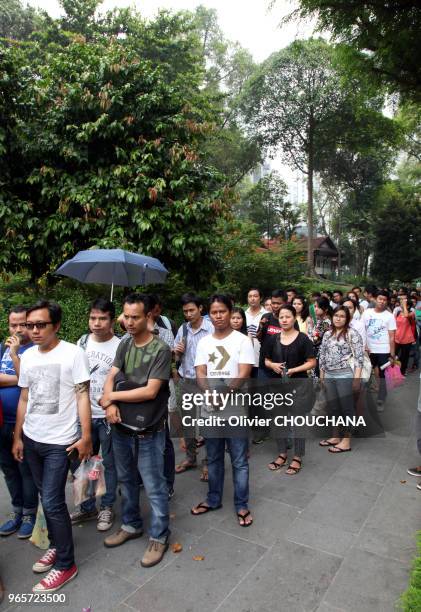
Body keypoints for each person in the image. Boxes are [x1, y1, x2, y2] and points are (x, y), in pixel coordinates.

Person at [12, 300, 92, 593]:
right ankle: (58, 545)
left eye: (40, 325)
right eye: (29, 325)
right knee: (47, 498)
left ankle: (66, 564)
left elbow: (83, 396)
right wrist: (18, 437)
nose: (33, 330)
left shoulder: (73, 353)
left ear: (56, 325)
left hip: (61, 442)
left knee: (55, 502)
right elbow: (24, 398)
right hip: (32, 439)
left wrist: (85, 437)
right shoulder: (29, 356)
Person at [100, 293, 172, 568]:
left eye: (135, 317)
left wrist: (113, 398)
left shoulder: (160, 350)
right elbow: (111, 374)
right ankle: (131, 525)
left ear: (148, 317)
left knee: (153, 485)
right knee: (126, 481)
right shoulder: (125, 344)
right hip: (121, 427)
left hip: (149, 429)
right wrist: (109, 404)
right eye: (126, 316)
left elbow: (150, 391)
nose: (129, 322)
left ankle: (159, 535)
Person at [191, 295, 255, 526]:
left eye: (222, 311)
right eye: (214, 312)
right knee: (214, 458)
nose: (218, 316)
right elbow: (200, 371)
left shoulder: (242, 341)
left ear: (230, 313)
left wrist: (224, 394)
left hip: (235, 410)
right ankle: (213, 499)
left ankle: (242, 504)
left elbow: (244, 371)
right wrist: (209, 394)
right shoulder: (204, 342)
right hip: (211, 410)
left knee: (239, 460)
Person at [70, 298, 120, 532]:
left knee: (109, 462)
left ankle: (107, 506)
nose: (96, 323)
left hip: (108, 414)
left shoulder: (121, 345)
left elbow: (124, 381)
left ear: (112, 320)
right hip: (84, 414)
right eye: (93, 318)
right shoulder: (81, 342)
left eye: (102, 318)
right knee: (84, 460)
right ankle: (87, 505)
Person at [263, 304, 316, 474]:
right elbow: (266, 360)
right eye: (281, 317)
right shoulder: (272, 339)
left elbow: (312, 362)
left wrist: (295, 369)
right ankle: (282, 453)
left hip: (299, 387)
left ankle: (298, 456)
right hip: (278, 387)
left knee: (298, 421)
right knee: (279, 420)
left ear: (294, 318)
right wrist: (273, 365)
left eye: (287, 316)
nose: (284, 320)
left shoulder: (303, 339)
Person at [0, 306, 38, 539]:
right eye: (13, 325)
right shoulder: (0, 349)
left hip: (23, 422)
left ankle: (29, 514)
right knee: (8, 470)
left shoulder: (34, 350)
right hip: (1, 421)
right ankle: (16, 511)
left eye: (22, 324)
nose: (18, 329)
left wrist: (15, 358)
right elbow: (22, 379)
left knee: (26, 470)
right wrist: (18, 379)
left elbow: (31, 382)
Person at [173, 293, 213, 477]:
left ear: (200, 309)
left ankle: (209, 462)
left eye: (191, 310)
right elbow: (176, 358)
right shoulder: (183, 329)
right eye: (185, 311)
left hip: (207, 382)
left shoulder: (212, 328)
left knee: (208, 423)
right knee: (188, 422)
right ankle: (191, 457)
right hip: (187, 380)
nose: (188, 314)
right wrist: (177, 353)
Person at [319, 306, 364, 452]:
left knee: (347, 408)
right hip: (329, 375)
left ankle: (346, 440)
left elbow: (359, 358)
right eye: (336, 315)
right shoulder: (327, 334)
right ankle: (335, 436)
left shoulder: (352, 333)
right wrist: (322, 376)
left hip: (345, 375)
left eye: (342, 316)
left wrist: (356, 379)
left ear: (347, 319)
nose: (338, 318)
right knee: (333, 407)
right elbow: (322, 355)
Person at [362, 290, 397, 411]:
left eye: (384, 300)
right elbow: (362, 331)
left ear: (387, 302)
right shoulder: (367, 313)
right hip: (368, 350)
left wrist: (392, 354)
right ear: (375, 299)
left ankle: (381, 399)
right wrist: (363, 346)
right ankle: (361, 399)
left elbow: (392, 336)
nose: (382, 301)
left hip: (383, 350)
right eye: (380, 299)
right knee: (364, 373)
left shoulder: (389, 316)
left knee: (382, 376)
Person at [307, 297, 333, 377]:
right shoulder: (319, 321)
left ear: (325, 309)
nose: (315, 309)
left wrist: (309, 326)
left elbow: (315, 339)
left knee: (317, 375)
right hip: (316, 352)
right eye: (315, 306)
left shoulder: (326, 322)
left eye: (318, 307)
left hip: (321, 354)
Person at [245, 288, 266, 377]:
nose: (252, 298)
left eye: (255, 296)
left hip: (260, 355)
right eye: (250, 296)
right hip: (245, 356)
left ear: (260, 298)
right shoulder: (243, 314)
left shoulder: (266, 314)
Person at [393, 293, 415, 376]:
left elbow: (406, 315)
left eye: (404, 303)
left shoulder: (411, 313)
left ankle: (402, 372)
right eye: (401, 302)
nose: (401, 303)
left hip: (407, 339)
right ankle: (394, 371)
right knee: (393, 355)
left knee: (405, 357)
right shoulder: (398, 312)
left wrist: (405, 306)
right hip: (397, 338)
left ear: (408, 306)